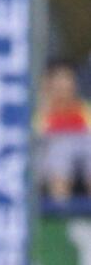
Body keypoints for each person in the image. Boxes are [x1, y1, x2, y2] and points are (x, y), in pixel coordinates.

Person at [38, 61, 91, 203]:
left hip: (81, 157)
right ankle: (61, 215)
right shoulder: (41, 111)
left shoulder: (83, 109)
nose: (63, 85)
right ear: (50, 84)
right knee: (60, 153)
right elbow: (38, 135)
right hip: (49, 159)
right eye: (59, 80)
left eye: (68, 79)